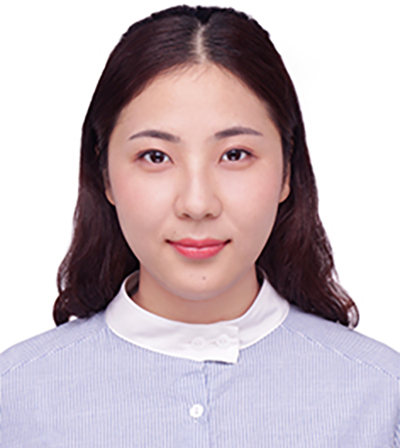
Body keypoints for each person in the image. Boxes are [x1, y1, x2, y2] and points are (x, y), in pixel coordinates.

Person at [1, 5, 399, 447]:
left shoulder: (383, 397)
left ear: (287, 171)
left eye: (234, 155)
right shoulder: (15, 399)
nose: (197, 204)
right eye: (155, 157)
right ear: (104, 175)